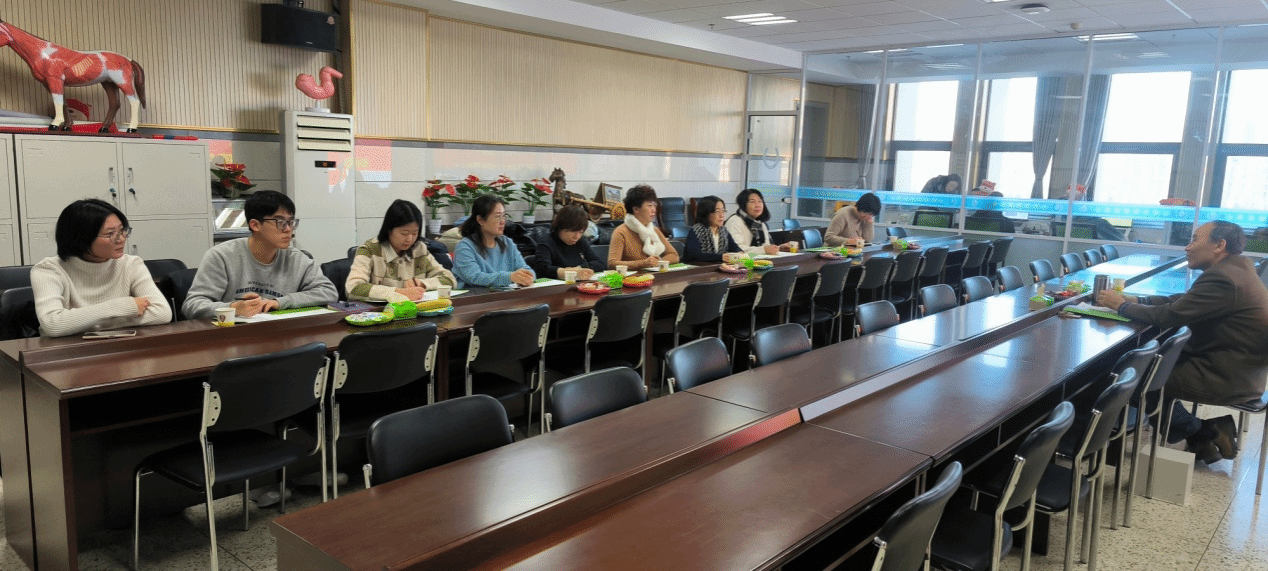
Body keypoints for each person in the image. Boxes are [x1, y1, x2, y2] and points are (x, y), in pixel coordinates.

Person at [1097, 221, 1268, 463]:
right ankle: (1202, 438)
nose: (1187, 247)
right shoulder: (1237, 268)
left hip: (1225, 376)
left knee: (1132, 377)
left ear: (1219, 245)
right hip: (1238, 367)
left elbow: (1170, 316)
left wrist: (1122, 306)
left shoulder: (1224, 278)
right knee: (1148, 368)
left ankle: (1205, 432)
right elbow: (1184, 301)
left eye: (1195, 239)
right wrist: (1138, 300)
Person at [183, 190, 337, 320]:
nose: (288, 229)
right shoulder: (221, 256)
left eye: (291, 222)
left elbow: (328, 292)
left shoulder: (297, 259)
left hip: (280, 333)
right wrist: (233, 308)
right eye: (280, 222)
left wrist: (280, 302)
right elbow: (192, 305)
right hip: (231, 336)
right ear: (255, 225)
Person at [31, 199, 172, 337]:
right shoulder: (49, 270)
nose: (121, 239)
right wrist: (121, 307)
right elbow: (53, 324)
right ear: (81, 238)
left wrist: (80, 324)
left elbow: (162, 312)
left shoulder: (131, 264)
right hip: (66, 350)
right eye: (110, 234)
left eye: (122, 230)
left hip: (119, 347)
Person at [347, 199, 455, 301]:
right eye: (404, 233)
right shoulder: (369, 250)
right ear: (389, 229)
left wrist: (422, 283)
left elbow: (449, 279)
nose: (410, 239)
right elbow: (354, 287)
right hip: (379, 312)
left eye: (414, 233)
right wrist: (397, 292)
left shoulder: (419, 249)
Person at [452, 194, 535, 288]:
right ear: (480, 220)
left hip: (506, 295)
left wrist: (528, 276)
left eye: (504, 216)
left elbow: (526, 270)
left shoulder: (507, 243)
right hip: (475, 295)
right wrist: (510, 277)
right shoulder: (464, 247)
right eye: (498, 216)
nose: (502, 221)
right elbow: (475, 277)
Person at [608, 184, 680, 270]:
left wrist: (658, 262)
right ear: (636, 209)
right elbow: (612, 263)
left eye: (655, 205)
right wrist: (643, 263)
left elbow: (674, 255)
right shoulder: (621, 232)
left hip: (653, 275)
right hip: (632, 277)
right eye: (649, 206)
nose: (654, 210)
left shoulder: (654, 230)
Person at [531, 204, 605, 280]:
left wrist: (580, 268)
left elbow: (599, 263)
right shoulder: (546, 242)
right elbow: (542, 270)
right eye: (573, 231)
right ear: (560, 227)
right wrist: (569, 272)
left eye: (580, 232)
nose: (576, 236)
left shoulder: (581, 242)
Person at [724, 188, 795, 256]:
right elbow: (736, 250)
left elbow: (766, 247)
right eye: (752, 202)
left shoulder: (760, 223)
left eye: (760, 201)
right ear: (743, 205)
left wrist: (778, 248)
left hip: (758, 261)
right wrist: (764, 250)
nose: (757, 205)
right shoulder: (734, 221)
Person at [684, 196, 742, 264]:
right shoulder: (697, 231)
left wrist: (740, 253)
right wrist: (720, 257)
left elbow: (734, 247)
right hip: (698, 268)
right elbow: (693, 255)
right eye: (717, 211)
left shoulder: (723, 231)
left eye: (723, 211)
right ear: (706, 213)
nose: (721, 215)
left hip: (717, 267)